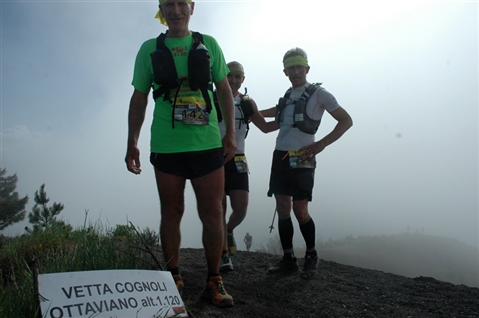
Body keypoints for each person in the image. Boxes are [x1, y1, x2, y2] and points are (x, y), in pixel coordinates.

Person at [125, 0, 236, 307]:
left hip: (207, 143)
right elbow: (139, 98)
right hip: (167, 145)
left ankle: (214, 281)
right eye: (168, 5)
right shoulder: (149, 48)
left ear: (192, 7)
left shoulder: (208, 44)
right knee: (171, 212)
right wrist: (132, 140)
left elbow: (224, 89)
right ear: (162, 9)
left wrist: (229, 132)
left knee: (213, 211)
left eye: (181, 4)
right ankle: (172, 277)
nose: (175, 11)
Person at [260, 47, 352, 279]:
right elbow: (272, 115)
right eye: (291, 68)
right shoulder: (288, 96)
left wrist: (321, 144)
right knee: (283, 208)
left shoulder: (320, 94)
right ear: (285, 72)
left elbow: (346, 120)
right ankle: (289, 259)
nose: (295, 71)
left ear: (307, 69)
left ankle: (311, 256)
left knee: (300, 210)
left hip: (303, 157)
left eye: (299, 67)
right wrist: (247, 109)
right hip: (280, 155)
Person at [217, 61, 278, 272]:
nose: (233, 80)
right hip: (214, 158)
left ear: (243, 80)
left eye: (237, 76)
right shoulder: (212, 97)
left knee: (241, 207)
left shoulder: (246, 103)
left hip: (238, 158)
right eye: (229, 75)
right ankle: (224, 256)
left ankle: (228, 230)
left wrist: (291, 117)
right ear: (223, 75)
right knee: (219, 207)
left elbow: (266, 127)